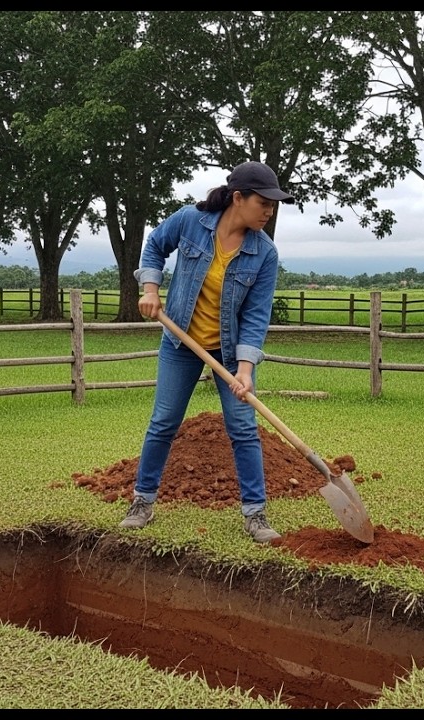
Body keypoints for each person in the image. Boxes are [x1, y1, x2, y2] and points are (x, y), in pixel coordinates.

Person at [121, 161, 294, 543]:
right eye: (263, 202)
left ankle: (255, 513)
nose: (269, 211)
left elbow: (256, 314)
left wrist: (246, 369)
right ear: (238, 198)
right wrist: (150, 289)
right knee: (164, 422)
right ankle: (142, 502)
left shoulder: (264, 253)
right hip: (181, 341)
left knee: (244, 428)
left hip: (230, 352)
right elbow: (154, 246)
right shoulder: (190, 221)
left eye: (273, 205)